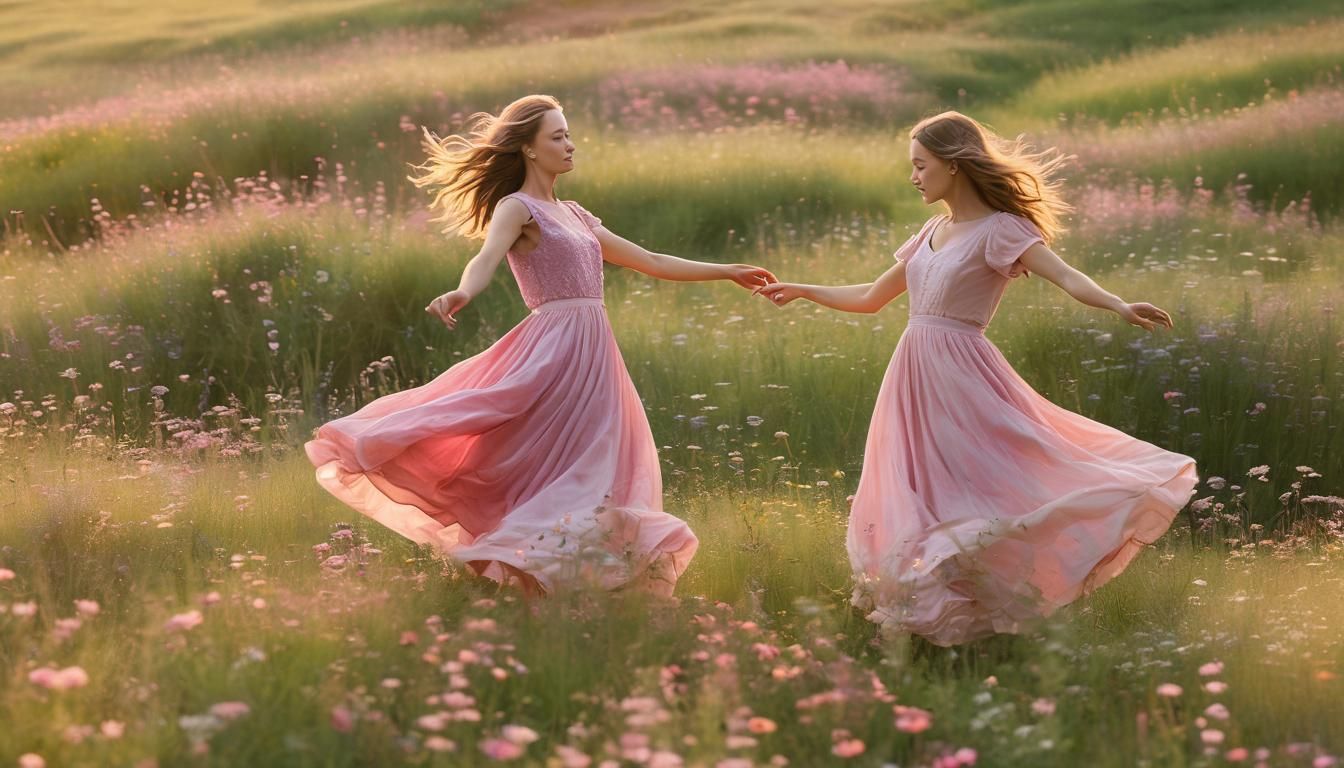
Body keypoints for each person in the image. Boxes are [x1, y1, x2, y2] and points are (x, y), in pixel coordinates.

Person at [305, 94, 776, 597]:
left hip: (596, 357)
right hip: (553, 350)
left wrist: (726, 271)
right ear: (528, 149)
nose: (570, 145)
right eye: (557, 137)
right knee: (537, 452)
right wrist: (464, 291)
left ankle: (587, 581)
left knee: (602, 466)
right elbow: (486, 257)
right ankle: (527, 563)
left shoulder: (574, 213)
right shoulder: (517, 208)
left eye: (569, 135)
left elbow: (651, 260)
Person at [757, 111, 1199, 645]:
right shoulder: (930, 231)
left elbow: (1064, 274)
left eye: (921, 165)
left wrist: (1117, 303)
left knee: (972, 487)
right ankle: (927, 615)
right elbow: (872, 299)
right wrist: (803, 289)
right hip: (912, 375)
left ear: (954, 164)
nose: (914, 176)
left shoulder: (1002, 229)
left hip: (963, 375)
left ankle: (972, 614)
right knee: (915, 487)